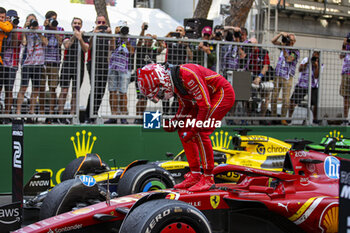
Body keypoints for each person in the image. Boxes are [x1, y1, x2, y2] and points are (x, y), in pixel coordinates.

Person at [137, 63, 235, 191]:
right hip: (207, 99)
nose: (161, 98)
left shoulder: (188, 75)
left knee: (201, 132)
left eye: (160, 94)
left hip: (222, 94)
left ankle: (208, 177)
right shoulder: (176, 81)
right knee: (183, 128)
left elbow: (205, 106)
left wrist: (194, 130)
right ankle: (195, 174)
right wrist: (174, 122)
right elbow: (186, 106)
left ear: (162, 82)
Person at [16, 14, 48, 122]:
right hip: (27, 62)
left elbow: (45, 42)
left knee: (36, 88)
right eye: (30, 21)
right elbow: (23, 42)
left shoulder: (41, 29)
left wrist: (37, 31)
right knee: (23, 87)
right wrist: (26, 29)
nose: (32, 23)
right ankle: (18, 113)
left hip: (38, 63)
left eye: (34, 21)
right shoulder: (25, 30)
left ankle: (31, 111)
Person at [58, 17, 89, 124]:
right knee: (64, 91)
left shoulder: (84, 36)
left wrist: (80, 38)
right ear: (71, 24)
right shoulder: (67, 34)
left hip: (79, 67)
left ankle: (73, 115)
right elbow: (66, 45)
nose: (77, 25)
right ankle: (60, 115)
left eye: (79, 23)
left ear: (81, 25)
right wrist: (74, 36)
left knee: (75, 92)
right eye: (75, 23)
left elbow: (86, 49)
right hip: (67, 66)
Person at [105, 20, 135, 124]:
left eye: (124, 28)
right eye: (120, 28)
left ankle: (123, 116)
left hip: (125, 68)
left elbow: (131, 52)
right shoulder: (114, 37)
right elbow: (112, 48)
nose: (122, 30)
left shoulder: (131, 38)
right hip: (113, 66)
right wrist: (114, 35)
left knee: (123, 92)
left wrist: (126, 40)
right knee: (112, 91)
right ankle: (113, 115)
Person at [133, 22, 163, 124]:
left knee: (145, 98)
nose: (147, 41)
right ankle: (138, 116)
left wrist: (157, 39)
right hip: (140, 77)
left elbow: (161, 47)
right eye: (146, 39)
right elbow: (139, 40)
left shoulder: (153, 50)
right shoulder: (140, 48)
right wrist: (143, 30)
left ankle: (141, 117)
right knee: (140, 97)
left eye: (150, 40)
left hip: (150, 79)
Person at [85, 15, 111, 123]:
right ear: (95, 23)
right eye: (99, 22)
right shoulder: (91, 32)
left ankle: (94, 113)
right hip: (92, 63)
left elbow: (112, 47)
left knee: (101, 90)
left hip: (104, 64)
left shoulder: (107, 35)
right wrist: (94, 33)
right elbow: (88, 47)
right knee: (94, 89)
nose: (101, 25)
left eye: (103, 23)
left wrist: (111, 35)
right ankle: (88, 116)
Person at [271, 32, 299, 126]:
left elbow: (289, 59)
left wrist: (283, 48)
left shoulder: (295, 51)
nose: (288, 41)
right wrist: (280, 34)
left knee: (285, 99)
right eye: (288, 39)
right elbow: (273, 41)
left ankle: (283, 118)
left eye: (290, 39)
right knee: (274, 96)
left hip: (287, 77)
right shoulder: (284, 46)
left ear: (293, 42)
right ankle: (273, 117)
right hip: (278, 75)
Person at [42, 11, 64, 123]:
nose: (53, 21)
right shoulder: (42, 28)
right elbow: (44, 42)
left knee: (52, 88)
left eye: (54, 19)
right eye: (51, 19)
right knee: (40, 88)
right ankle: (41, 113)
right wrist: (45, 28)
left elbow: (61, 43)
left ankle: (50, 114)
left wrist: (54, 30)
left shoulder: (60, 29)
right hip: (43, 62)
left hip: (55, 61)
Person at [289, 51, 321, 124]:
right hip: (302, 84)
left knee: (315, 103)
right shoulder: (306, 59)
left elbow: (316, 76)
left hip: (313, 86)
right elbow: (300, 69)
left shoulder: (320, 63)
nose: (315, 58)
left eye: (316, 57)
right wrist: (307, 63)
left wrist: (316, 66)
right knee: (293, 100)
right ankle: (289, 117)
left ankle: (315, 119)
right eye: (314, 55)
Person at [248, 38, 273, 122]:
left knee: (265, 97)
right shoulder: (247, 52)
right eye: (250, 44)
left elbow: (265, 67)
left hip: (262, 76)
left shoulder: (263, 52)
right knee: (248, 97)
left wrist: (259, 77)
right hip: (250, 75)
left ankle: (262, 117)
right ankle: (248, 118)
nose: (252, 46)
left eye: (253, 44)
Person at [2, 9, 19, 123]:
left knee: (9, 89)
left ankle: (7, 114)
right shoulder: (3, 26)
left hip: (12, 63)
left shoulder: (18, 29)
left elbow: (14, 44)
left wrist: (12, 28)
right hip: (2, 62)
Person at [0, 7, 14, 122]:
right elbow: (8, 27)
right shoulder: (4, 24)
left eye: (3, 17)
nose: (2, 19)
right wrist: (6, 22)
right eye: (0, 17)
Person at [340, 33, 350, 125]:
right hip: (346, 73)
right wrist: (344, 45)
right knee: (346, 96)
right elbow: (341, 55)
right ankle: (345, 118)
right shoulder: (346, 47)